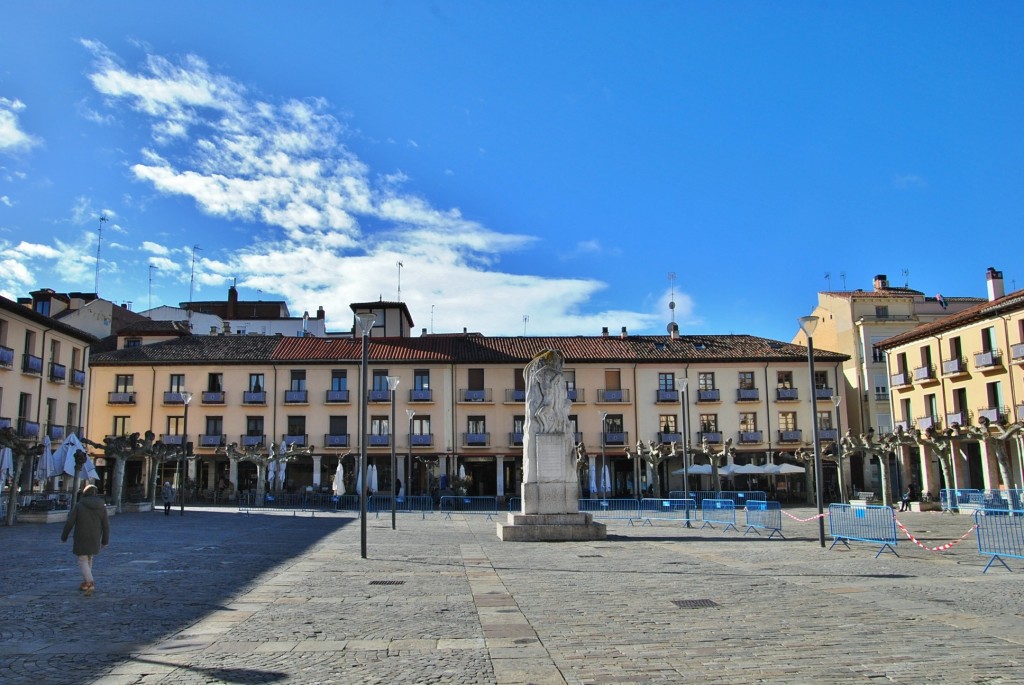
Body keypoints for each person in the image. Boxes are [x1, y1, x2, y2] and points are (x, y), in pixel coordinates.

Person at [60, 484, 110, 596]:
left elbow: (70, 523)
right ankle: (85, 583)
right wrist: (105, 541)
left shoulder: (79, 505)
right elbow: (106, 525)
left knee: (82, 559)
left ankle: (89, 582)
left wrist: (64, 537)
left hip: (81, 536)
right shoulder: (101, 506)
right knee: (89, 557)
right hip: (95, 536)